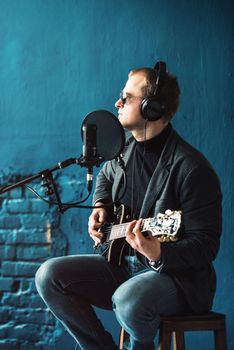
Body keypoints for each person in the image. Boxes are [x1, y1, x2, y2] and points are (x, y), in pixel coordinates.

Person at [35, 61, 222, 350]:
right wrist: (100, 204)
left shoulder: (192, 168)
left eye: (127, 97)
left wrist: (160, 253)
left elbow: (206, 245)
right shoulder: (121, 151)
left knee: (128, 299)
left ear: (152, 108)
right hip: (124, 267)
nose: (117, 102)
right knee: (49, 276)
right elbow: (106, 178)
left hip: (175, 279)